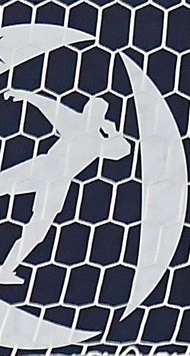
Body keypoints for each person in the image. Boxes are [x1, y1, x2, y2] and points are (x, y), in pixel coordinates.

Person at [0, 90, 131, 285]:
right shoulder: (75, 123)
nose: (91, 115)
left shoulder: (98, 141)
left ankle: (5, 270)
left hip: (59, 182)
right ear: (86, 110)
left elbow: (123, 150)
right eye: (90, 109)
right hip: (43, 168)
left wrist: (113, 132)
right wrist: (25, 95)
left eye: (97, 112)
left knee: (38, 229)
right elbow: (50, 106)